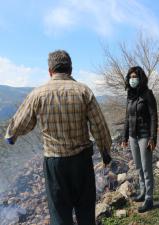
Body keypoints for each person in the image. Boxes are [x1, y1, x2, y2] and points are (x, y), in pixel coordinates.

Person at [5, 50, 112, 225]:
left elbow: (23, 122)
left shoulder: (38, 94)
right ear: (70, 69)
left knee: (60, 213)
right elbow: (98, 126)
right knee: (85, 212)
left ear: (50, 71)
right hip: (81, 162)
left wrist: (11, 135)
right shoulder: (84, 91)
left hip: (55, 164)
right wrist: (105, 152)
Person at [121, 66, 158, 213]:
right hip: (132, 136)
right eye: (130, 77)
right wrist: (124, 136)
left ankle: (149, 198)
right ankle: (143, 192)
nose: (132, 79)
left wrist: (153, 137)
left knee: (147, 168)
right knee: (138, 167)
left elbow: (154, 117)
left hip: (144, 136)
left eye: (135, 77)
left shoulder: (148, 95)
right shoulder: (129, 95)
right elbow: (127, 117)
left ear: (141, 78)